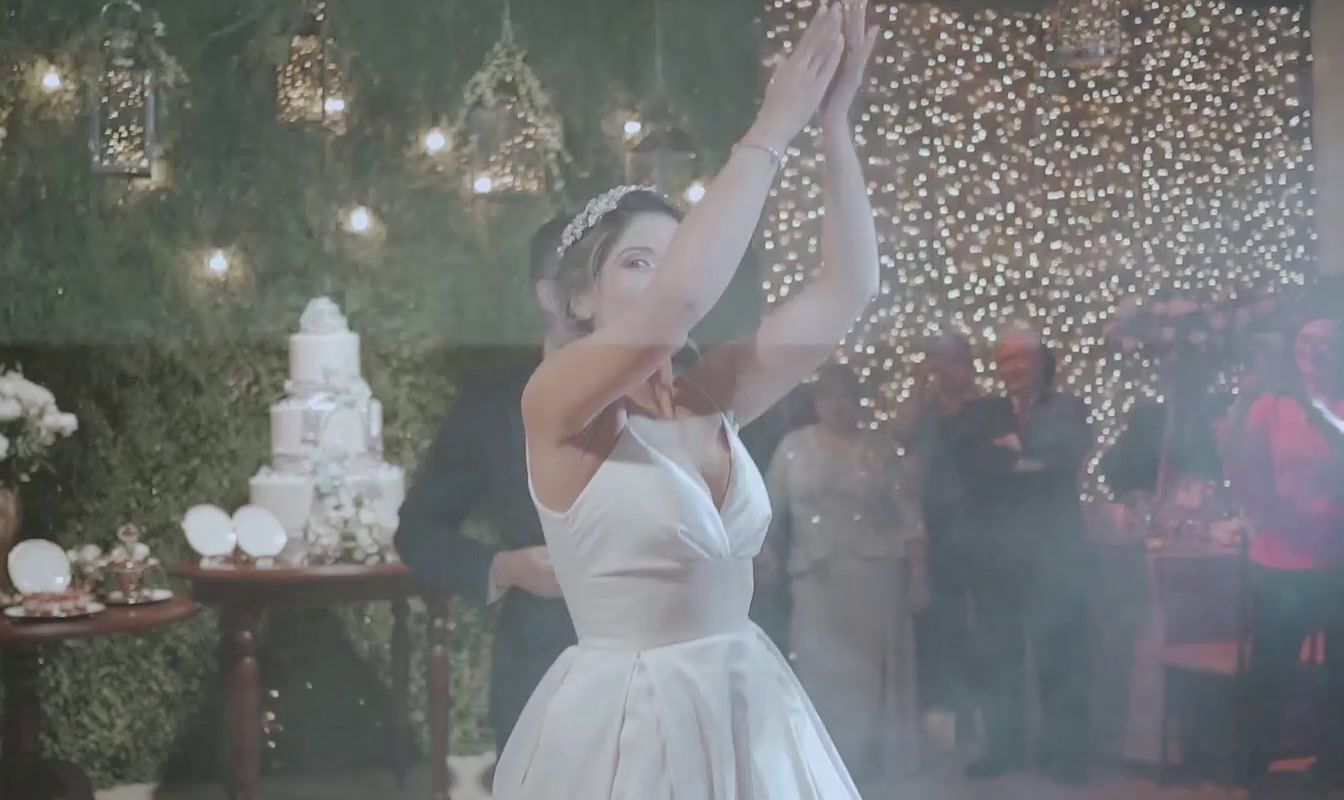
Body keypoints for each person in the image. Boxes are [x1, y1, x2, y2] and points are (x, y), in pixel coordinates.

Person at [492, 2, 880, 796]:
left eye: (674, 257)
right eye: (638, 262)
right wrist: (773, 125)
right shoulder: (557, 404)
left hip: (747, 700)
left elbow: (847, 292)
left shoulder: (711, 393)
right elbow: (681, 302)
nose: (664, 278)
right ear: (583, 299)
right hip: (631, 728)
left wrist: (834, 124)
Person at [394, 214, 577, 755]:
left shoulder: (664, 393)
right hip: (541, 672)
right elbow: (417, 530)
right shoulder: (493, 404)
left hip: (659, 680)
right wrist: (504, 567)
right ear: (550, 293)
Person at [764, 363, 926, 784]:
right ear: (817, 402)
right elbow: (767, 511)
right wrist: (764, 555)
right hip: (815, 577)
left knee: (869, 675)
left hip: (875, 576)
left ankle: (871, 768)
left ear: (858, 401)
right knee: (819, 669)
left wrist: (920, 575)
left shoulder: (881, 449)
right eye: (830, 396)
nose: (838, 405)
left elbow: (910, 517)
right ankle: (821, 762)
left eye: (846, 396)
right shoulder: (792, 448)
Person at [959, 324, 1093, 784]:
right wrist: (1031, 461)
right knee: (998, 659)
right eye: (1005, 361)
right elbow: (972, 466)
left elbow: (1069, 452)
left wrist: (1016, 456)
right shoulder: (981, 414)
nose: (1014, 369)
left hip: (1057, 559)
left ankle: (1065, 758)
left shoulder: (1070, 408)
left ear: (1041, 363)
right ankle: (1003, 750)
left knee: (1061, 660)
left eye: (1022, 359)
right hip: (997, 561)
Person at [1225, 318, 1344, 790]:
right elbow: (1244, 470)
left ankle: (1334, 768)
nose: (1312, 350)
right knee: (1270, 671)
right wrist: (1272, 517)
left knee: (1340, 677)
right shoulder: (1272, 407)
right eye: (1304, 341)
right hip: (1281, 562)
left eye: (1325, 343)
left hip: (1338, 561)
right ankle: (1252, 770)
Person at [899, 332, 983, 750]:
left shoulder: (985, 408)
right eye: (936, 361)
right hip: (936, 530)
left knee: (978, 630)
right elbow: (902, 436)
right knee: (942, 630)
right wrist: (917, 385)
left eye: (950, 361)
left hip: (979, 527)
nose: (944, 370)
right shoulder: (927, 410)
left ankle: (979, 719)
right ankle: (948, 723)